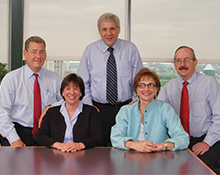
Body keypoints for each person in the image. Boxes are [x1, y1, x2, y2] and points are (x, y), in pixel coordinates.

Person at [77, 12, 143, 146]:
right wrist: (90, 106)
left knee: (126, 145)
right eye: (104, 29)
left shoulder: (130, 49)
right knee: (100, 148)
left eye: (112, 28)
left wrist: (136, 102)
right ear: (99, 31)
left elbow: (139, 79)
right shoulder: (90, 50)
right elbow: (83, 82)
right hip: (98, 109)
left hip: (126, 107)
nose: (109, 33)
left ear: (119, 29)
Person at [157, 46, 220, 172]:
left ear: (195, 62)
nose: (182, 64)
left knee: (200, 168)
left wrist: (207, 142)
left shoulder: (209, 83)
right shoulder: (169, 87)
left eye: (187, 59)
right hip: (180, 141)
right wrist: (138, 104)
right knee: (167, 167)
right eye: (179, 61)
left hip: (206, 139)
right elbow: (156, 111)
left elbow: (219, 117)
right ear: (175, 65)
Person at [0, 36, 63, 147]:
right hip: (19, 131)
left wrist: (52, 106)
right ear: (25, 54)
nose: (38, 56)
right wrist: (14, 139)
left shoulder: (55, 78)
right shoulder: (12, 78)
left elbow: (68, 100)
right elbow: (2, 112)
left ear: (46, 54)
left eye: (41, 52)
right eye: (34, 52)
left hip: (45, 132)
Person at [111, 68, 189, 152]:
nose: (146, 89)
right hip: (130, 159)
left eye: (151, 85)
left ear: (156, 89)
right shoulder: (126, 111)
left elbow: (183, 139)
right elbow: (115, 138)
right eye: (142, 85)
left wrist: (161, 146)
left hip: (159, 159)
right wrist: (134, 145)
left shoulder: (165, 109)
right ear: (136, 89)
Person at [36, 73, 103, 152]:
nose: (72, 92)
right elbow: (40, 136)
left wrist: (79, 145)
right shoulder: (51, 112)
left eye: (76, 88)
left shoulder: (91, 112)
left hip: (84, 156)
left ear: (81, 93)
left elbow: (98, 137)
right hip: (56, 156)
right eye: (67, 88)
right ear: (63, 93)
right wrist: (58, 145)